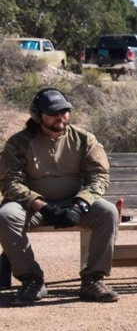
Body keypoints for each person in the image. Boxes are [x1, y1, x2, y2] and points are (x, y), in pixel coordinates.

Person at [1, 87, 121, 305]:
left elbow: (99, 177)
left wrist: (80, 206)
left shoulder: (84, 139)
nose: (60, 116)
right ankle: (32, 280)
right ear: (38, 115)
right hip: (33, 207)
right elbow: (10, 183)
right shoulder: (19, 143)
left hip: (73, 203)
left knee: (108, 212)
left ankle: (93, 280)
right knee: (6, 215)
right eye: (53, 112)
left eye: (64, 111)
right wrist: (43, 207)